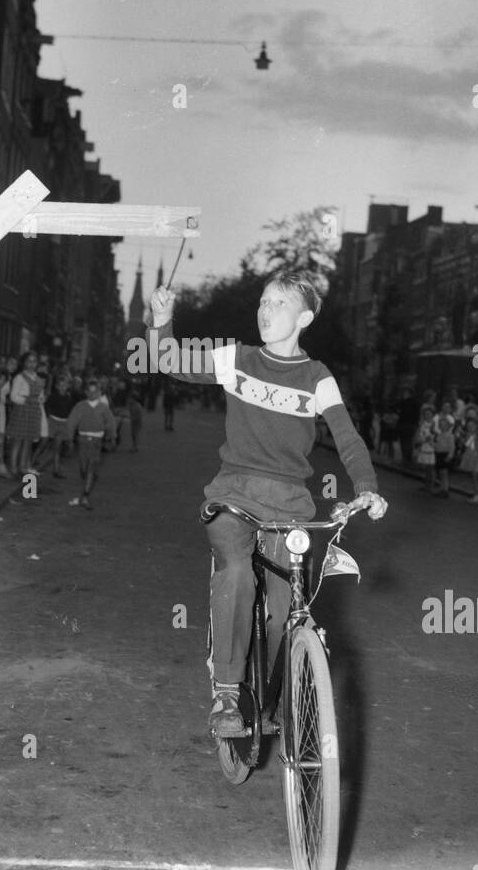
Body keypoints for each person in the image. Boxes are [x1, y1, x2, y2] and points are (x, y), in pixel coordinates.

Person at [149, 273, 386, 738]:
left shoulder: (317, 378)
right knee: (236, 574)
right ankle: (228, 694)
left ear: (304, 317)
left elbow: (348, 438)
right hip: (232, 495)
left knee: (286, 611)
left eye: (279, 303)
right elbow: (169, 360)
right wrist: (161, 320)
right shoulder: (236, 359)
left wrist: (366, 487)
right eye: (262, 301)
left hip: (290, 504)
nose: (265, 310)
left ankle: (277, 697)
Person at [66, 378, 116, 509]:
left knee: (91, 467)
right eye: (90, 392)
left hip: (96, 441)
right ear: (86, 392)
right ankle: (87, 484)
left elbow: (110, 422)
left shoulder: (103, 408)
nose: (93, 395)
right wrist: (70, 439)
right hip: (83, 440)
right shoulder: (80, 406)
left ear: (100, 393)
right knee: (83, 468)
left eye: (96, 392)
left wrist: (111, 436)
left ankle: (85, 496)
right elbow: (72, 422)